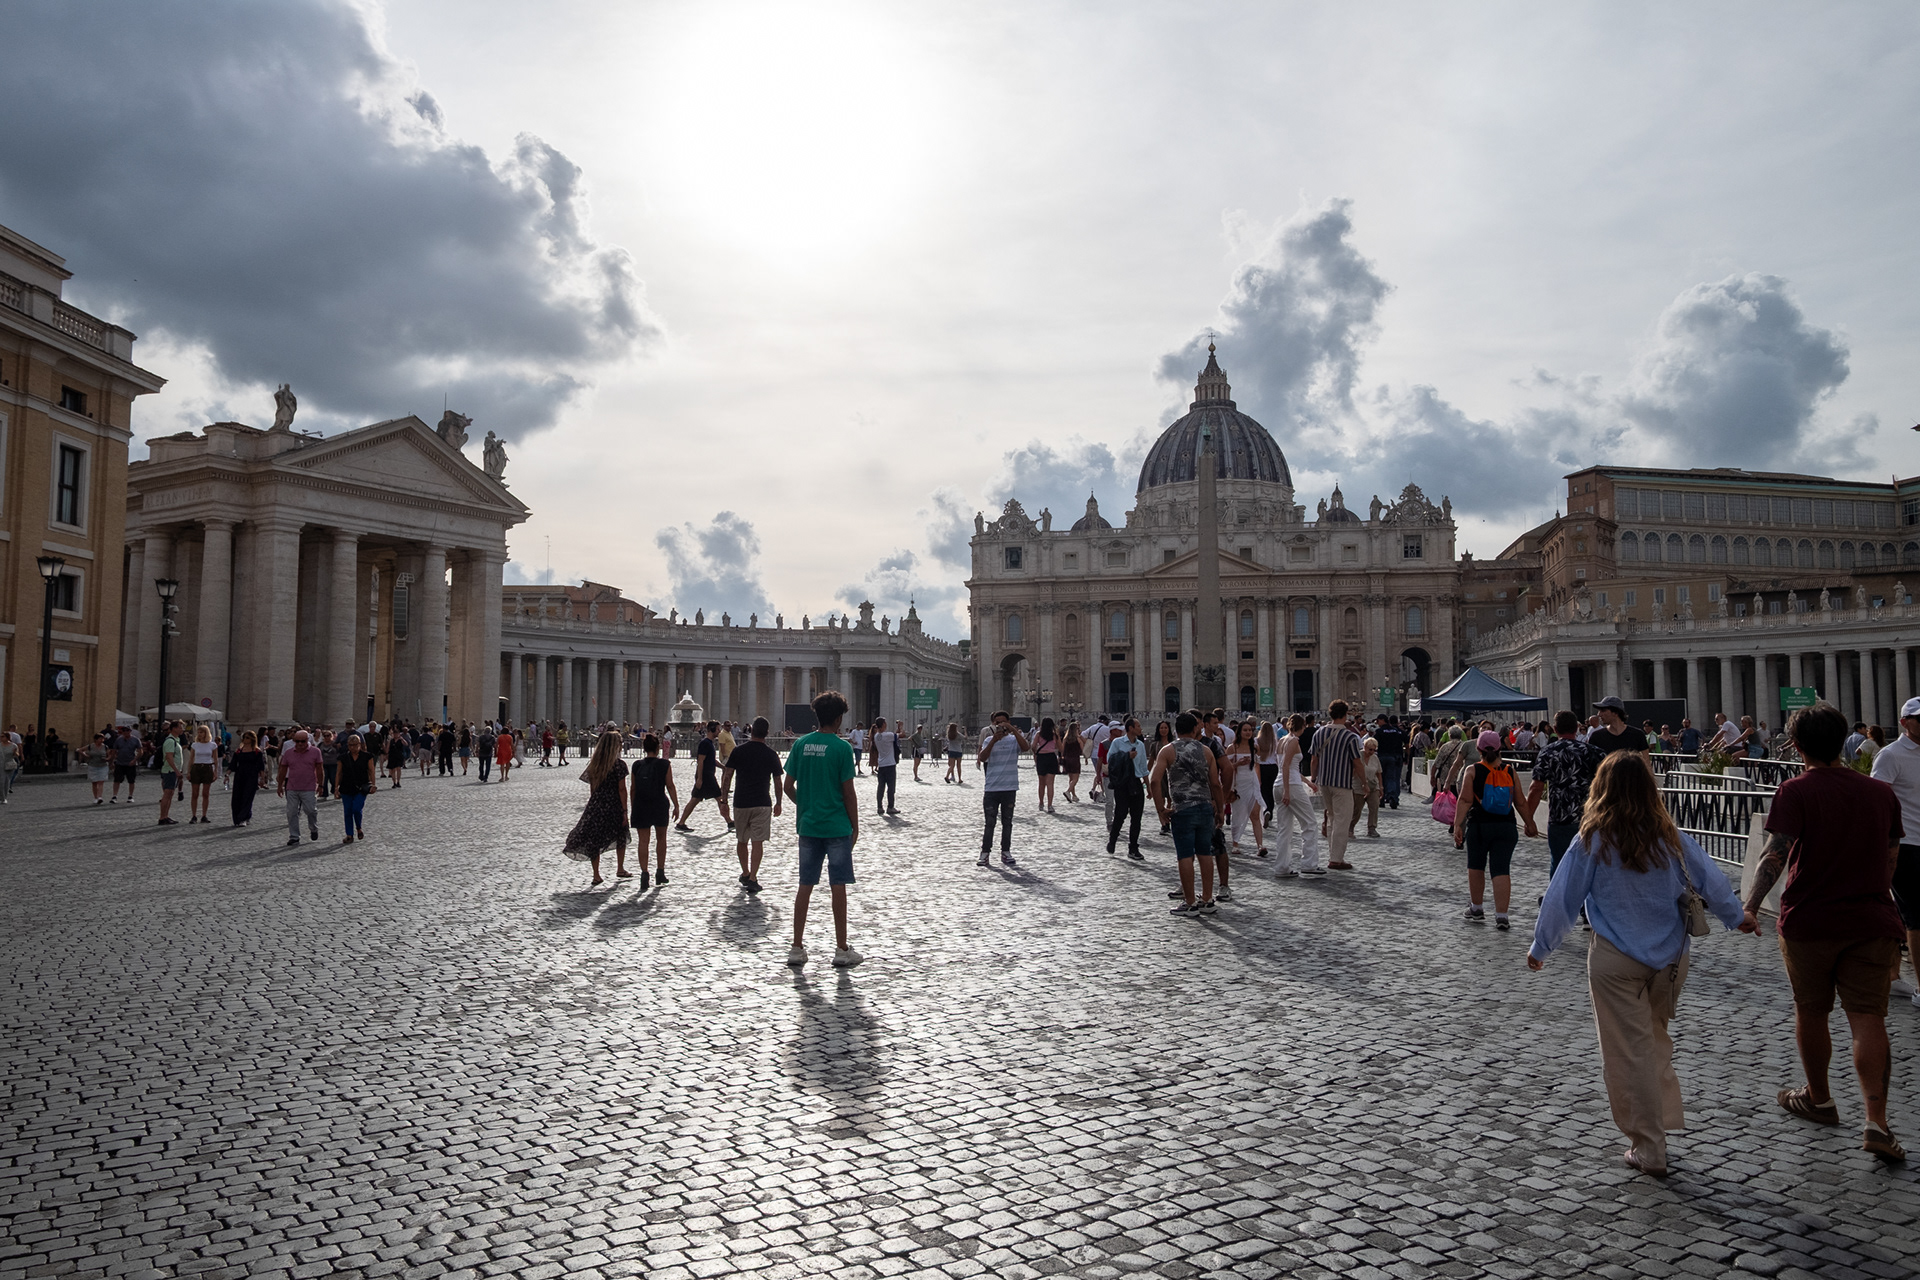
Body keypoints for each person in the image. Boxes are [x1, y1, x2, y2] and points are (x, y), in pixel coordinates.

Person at [1527, 751, 1747, 1176]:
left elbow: (1562, 900)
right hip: (1670, 959)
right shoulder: (1672, 837)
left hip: (1615, 958)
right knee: (1652, 1041)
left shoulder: (1592, 839)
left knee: (1628, 1052)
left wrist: (1541, 948)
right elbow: (1714, 883)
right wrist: (1738, 919)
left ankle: (1649, 1145)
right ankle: (1659, 1123)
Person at [1743, 701, 1906, 1162]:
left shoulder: (1795, 791)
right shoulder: (1879, 794)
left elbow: (1775, 853)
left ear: (1796, 747)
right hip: (1871, 920)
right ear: (1843, 743)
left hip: (1809, 920)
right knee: (1868, 1018)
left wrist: (1751, 906)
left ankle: (1819, 1098)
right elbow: (1891, 857)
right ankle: (1877, 1121)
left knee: (1812, 1010)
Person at [784, 690, 862, 967]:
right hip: (837, 825)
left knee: (805, 885)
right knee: (838, 886)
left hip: (808, 825)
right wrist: (855, 824)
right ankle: (841, 949)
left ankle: (796, 947)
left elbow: (787, 786)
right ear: (839, 718)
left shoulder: (801, 745)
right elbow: (848, 793)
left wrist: (804, 805)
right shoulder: (842, 748)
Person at [1149, 711, 1225, 916]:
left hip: (1182, 809)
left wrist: (1160, 809)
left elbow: (1154, 780)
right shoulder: (1206, 751)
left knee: (1185, 855)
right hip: (1205, 808)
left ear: (1175, 730)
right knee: (1205, 853)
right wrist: (1220, 809)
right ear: (1195, 729)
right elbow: (1216, 784)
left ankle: (1190, 902)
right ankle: (1208, 900)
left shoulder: (1167, 750)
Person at [1871, 697, 1920, 1010]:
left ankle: (1892, 976)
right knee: (1916, 918)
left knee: (1904, 917)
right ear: (1904, 722)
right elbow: (1876, 800)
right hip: (1908, 845)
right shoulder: (1890, 755)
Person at [1524, 710, 1606, 879]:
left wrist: (1528, 819)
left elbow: (1536, 788)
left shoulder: (1548, 752)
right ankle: (1586, 903)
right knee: (1590, 865)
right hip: (1590, 818)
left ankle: (1559, 901)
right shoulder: (1595, 752)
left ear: (1555, 728)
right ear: (1577, 728)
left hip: (1559, 818)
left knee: (1560, 863)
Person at [1453, 730, 1519, 929]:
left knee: (1476, 866)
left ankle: (1477, 908)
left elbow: (1465, 800)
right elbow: (1521, 801)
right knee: (1501, 869)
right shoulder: (1510, 770)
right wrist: (1530, 823)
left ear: (1479, 749)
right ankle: (1502, 916)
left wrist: (1457, 825)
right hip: (1506, 826)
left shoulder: (1473, 770)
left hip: (1480, 825)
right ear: (1499, 748)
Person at [722, 717, 783, 893]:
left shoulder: (739, 751)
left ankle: (745, 872)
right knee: (758, 842)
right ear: (767, 733)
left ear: (751, 731)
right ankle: (754, 877)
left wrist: (723, 800)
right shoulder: (771, 754)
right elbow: (778, 781)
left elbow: (727, 776)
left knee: (742, 840)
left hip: (741, 802)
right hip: (762, 803)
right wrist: (779, 802)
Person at [563, 730, 631, 885]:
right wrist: (625, 810)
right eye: (620, 743)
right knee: (620, 834)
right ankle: (620, 868)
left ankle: (596, 874)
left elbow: (592, 788)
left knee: (595, 837)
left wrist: (594, 802)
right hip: (614, 804)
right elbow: (622, 789)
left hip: (597, 804)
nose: (621, 745)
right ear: (615, 746)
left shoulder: (595, 764)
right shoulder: (619, 765)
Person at [1308, 701, 1363, 870]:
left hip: (1324, 782)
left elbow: (1314, 759)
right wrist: (1365, 783)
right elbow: (1357, 762)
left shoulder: (1318, 734)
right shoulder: (1350, 737)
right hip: (1342, 783)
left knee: (1331, 817)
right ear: (1345, 714)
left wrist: (1314, 779)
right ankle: (1336, 859)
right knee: (1342, 820)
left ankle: (1334, 854)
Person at [977, 711, 1028, 866]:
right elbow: (982, 757)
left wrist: (1013, 730)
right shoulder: (988, 740)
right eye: (997, 722)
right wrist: (993, 741)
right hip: (992, 787)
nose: (1000, 725)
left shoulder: (1014, 740)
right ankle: (985, 852)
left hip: (1009, 787)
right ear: (993, 723)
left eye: (1003, 722)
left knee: (1007, 822)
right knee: (989, 823)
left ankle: (1006, 851)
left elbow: (1026, 748)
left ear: (1008, 722)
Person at [1273, 713, 1321, 876]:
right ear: (1303, 726)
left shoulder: (1281, 740)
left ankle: (1281, 867)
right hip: (1290, 786)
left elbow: (1286, 767)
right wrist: (1287, 790)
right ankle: (1309, 863)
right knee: (1310, 823)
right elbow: (1286, 766)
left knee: (1284, 828)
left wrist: (1307, 782)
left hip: (1279, 784)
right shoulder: (1293, 741)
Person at [629, 734, 679, 889]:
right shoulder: (664, 764)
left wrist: (633, 805)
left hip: (641, 804)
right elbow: (670, 785)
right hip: (659, 803)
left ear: (644, 749)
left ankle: (644, 873)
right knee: (661, 839)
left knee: (643, 841)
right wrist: (676, 805)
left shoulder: (637, 765)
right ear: (658, 748)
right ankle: (660, 872)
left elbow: (633, 788)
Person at [1104, 718, 1150, 859]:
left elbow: (1143, 767)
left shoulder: (1141, 745)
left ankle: (1133, 848)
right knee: (1121, 814)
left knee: (1137, 817)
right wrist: (1126, 756)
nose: (1140, 728)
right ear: (1130, 728)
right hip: (1122, 784)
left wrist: (1148, 786)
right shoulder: (1117, 743)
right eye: (1138, 726)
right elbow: (1110, 759)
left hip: (1136, 782)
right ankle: (1113, 840)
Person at [678, 721, 731, 833]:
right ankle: (729, 821)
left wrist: (722, 767)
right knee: (719, 797)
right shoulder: (705, 743)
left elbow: (711, 760)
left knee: (696, 799)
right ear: (711, 730)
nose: (719, 731)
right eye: (717, 729)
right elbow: (700, 761)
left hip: (708, 775)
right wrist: (699, 778)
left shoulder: (710, 743)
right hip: (706, 776)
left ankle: (681, 822)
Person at [1224, 719, 1266, 857]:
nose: (1248, 733)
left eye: (1250, 730)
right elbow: (1226, 768)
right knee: (1238, 815)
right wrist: (1238, 763)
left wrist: (1259, 782)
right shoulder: (1232, 748)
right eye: (1245, 730)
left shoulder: (1254, 747)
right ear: (1240, 732)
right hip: (1238, 784)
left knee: (1255, 814)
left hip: (1252, 783)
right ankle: (1235, 843)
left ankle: (1260, 845)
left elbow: (1257, 765)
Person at [276, 728, 325, 847]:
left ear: (307, 740)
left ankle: (313, 828)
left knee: (311, 810)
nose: (300, 744)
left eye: (302, 741)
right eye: (297, 741)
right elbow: (282, 770)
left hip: (309, 786)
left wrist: (321, 785)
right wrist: (280, 785)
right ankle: (294, 836)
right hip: (292, 787)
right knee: (291, 812)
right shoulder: (288, 753)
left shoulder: (315, 752)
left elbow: (319, 769)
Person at [335, 733, 374, 842]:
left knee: (356, 809)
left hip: (362, 788)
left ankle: (358, 827)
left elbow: (371, 771)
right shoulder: (343, 757)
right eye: (350, 745)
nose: (353, 747)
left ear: (360, 745)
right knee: (347, 811)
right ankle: (349, 835)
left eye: (355, 745)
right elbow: (339, 773)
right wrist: (336, 787)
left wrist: (373, 784)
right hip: (346, 787)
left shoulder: (367, 756)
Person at [228, 730, 267, 826]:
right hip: (240, 775)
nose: (245, 739)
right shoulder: (239, 751)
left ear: (252, 739)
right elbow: (233, 764)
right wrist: (227, 775)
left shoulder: (257, 752)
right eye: (244, 737)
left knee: (247, 796)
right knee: (237, 797)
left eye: (247, 737)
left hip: (252, 776)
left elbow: (261, 766)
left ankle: (243, 818)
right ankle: (238, 818)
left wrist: (262, 778)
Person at [1349, 736, 1382, 840]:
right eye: (1370, 749)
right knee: (1357, 809)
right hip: (1358, 786)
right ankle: (1350, 827)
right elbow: (1353, 771)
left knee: (1374, 807)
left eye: (1374, 749)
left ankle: (1372, 828)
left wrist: (1381, 786)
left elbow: (1379, 773)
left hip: (1373, 785)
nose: (1372, 752)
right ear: (1365, 746)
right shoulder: (1358, 755)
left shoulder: (1375, 758)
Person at [186, 724, 221, 822]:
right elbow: (191, 758)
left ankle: (204, 815)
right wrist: (188, 771)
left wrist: (215, 771)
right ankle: (193, 815)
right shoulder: (194, 745)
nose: (199, 734)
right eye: (198, 732)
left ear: (206, 733)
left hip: (207, 767)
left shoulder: (212, 745)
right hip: (196, 767)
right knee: (195, 793)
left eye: (201, 732)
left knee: (205, 793)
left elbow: (215, 759)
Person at [869, 716, 900, 815]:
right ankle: (890, 807)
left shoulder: (876, 736)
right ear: (883, 724)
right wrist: (901, 727)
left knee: (881, 787)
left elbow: (893, 736)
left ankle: (879, 807)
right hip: (890, 764)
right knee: (891, 787)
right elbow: (901, 735)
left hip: (881, 764)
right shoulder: (888, 735)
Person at [157, 721, 185, 826]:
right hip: (170, 771)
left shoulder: (176, 740)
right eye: (180, 727)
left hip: (173, 771)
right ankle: (162, 817)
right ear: (174, 729)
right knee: (167, 793)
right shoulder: (170, 741)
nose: (182, 729)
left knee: (170, 794)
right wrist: (177, 771)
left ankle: (165, 816)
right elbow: (169, 757)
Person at [1375, 717, 1406, 809]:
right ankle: (1393, 797)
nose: (1377, 722)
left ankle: (1381, 798)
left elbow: (1375, 743)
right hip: (1393, 757)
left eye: (1378, 721)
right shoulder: (1395, 731)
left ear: (1382, 720)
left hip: (1382, 756)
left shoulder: (1379, 731)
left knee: (1381, 778)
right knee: (1391, 778)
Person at [1255, 721, 1281, 824]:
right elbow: (1277, 757)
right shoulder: (1275, 742)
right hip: (1273, 767)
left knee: (1263, 790)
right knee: (1271, 790)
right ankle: (1270, 810)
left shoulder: (1256, 741)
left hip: (1261, 767)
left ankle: (1266, 809)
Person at [1032, 717, 1060, 812]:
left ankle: (1041, 803)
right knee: (1050, 783)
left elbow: (1033, 746)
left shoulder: (1038, 734)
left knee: (1041, 783)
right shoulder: (1055, 735)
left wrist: (1035, 753)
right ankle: (1050, 805)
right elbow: (1061, 747)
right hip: (1051, 757)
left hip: (1041, 758)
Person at [109, 726, 139, 803]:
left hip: (131, 763)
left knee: (131, 780)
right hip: (120, 762)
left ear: (130, 731)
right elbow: (114, 751)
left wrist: (135, 760)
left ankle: (130, 796)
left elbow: (140, 751)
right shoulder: (118, 740)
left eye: (127, 730)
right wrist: (111, 762)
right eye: (124, 731)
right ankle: (114, 796)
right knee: (117, 780)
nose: (125, 732)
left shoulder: (135, 740)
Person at [84, 732, 110, 804]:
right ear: (96, 739)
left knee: (101, 781)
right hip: (93, 765)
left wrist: (107, 759)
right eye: (100, 739)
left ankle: (100, 797)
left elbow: (109, 754)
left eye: (103, 739)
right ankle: (95, 797)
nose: (102, 740)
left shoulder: (105, 747)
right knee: (94, 782)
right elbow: (80, 750)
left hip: (103, 765)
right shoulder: (91, 746)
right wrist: (86, 755)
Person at [1062, 722, 1083, 803]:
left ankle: (1074, 796)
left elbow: (1062, 749)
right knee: (1075, 779)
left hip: (1067, 759)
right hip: (1075, 759)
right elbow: (1082, 748)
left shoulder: (1065, 739)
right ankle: (1068, 791)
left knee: (1071, 778)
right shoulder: (1077, 739)